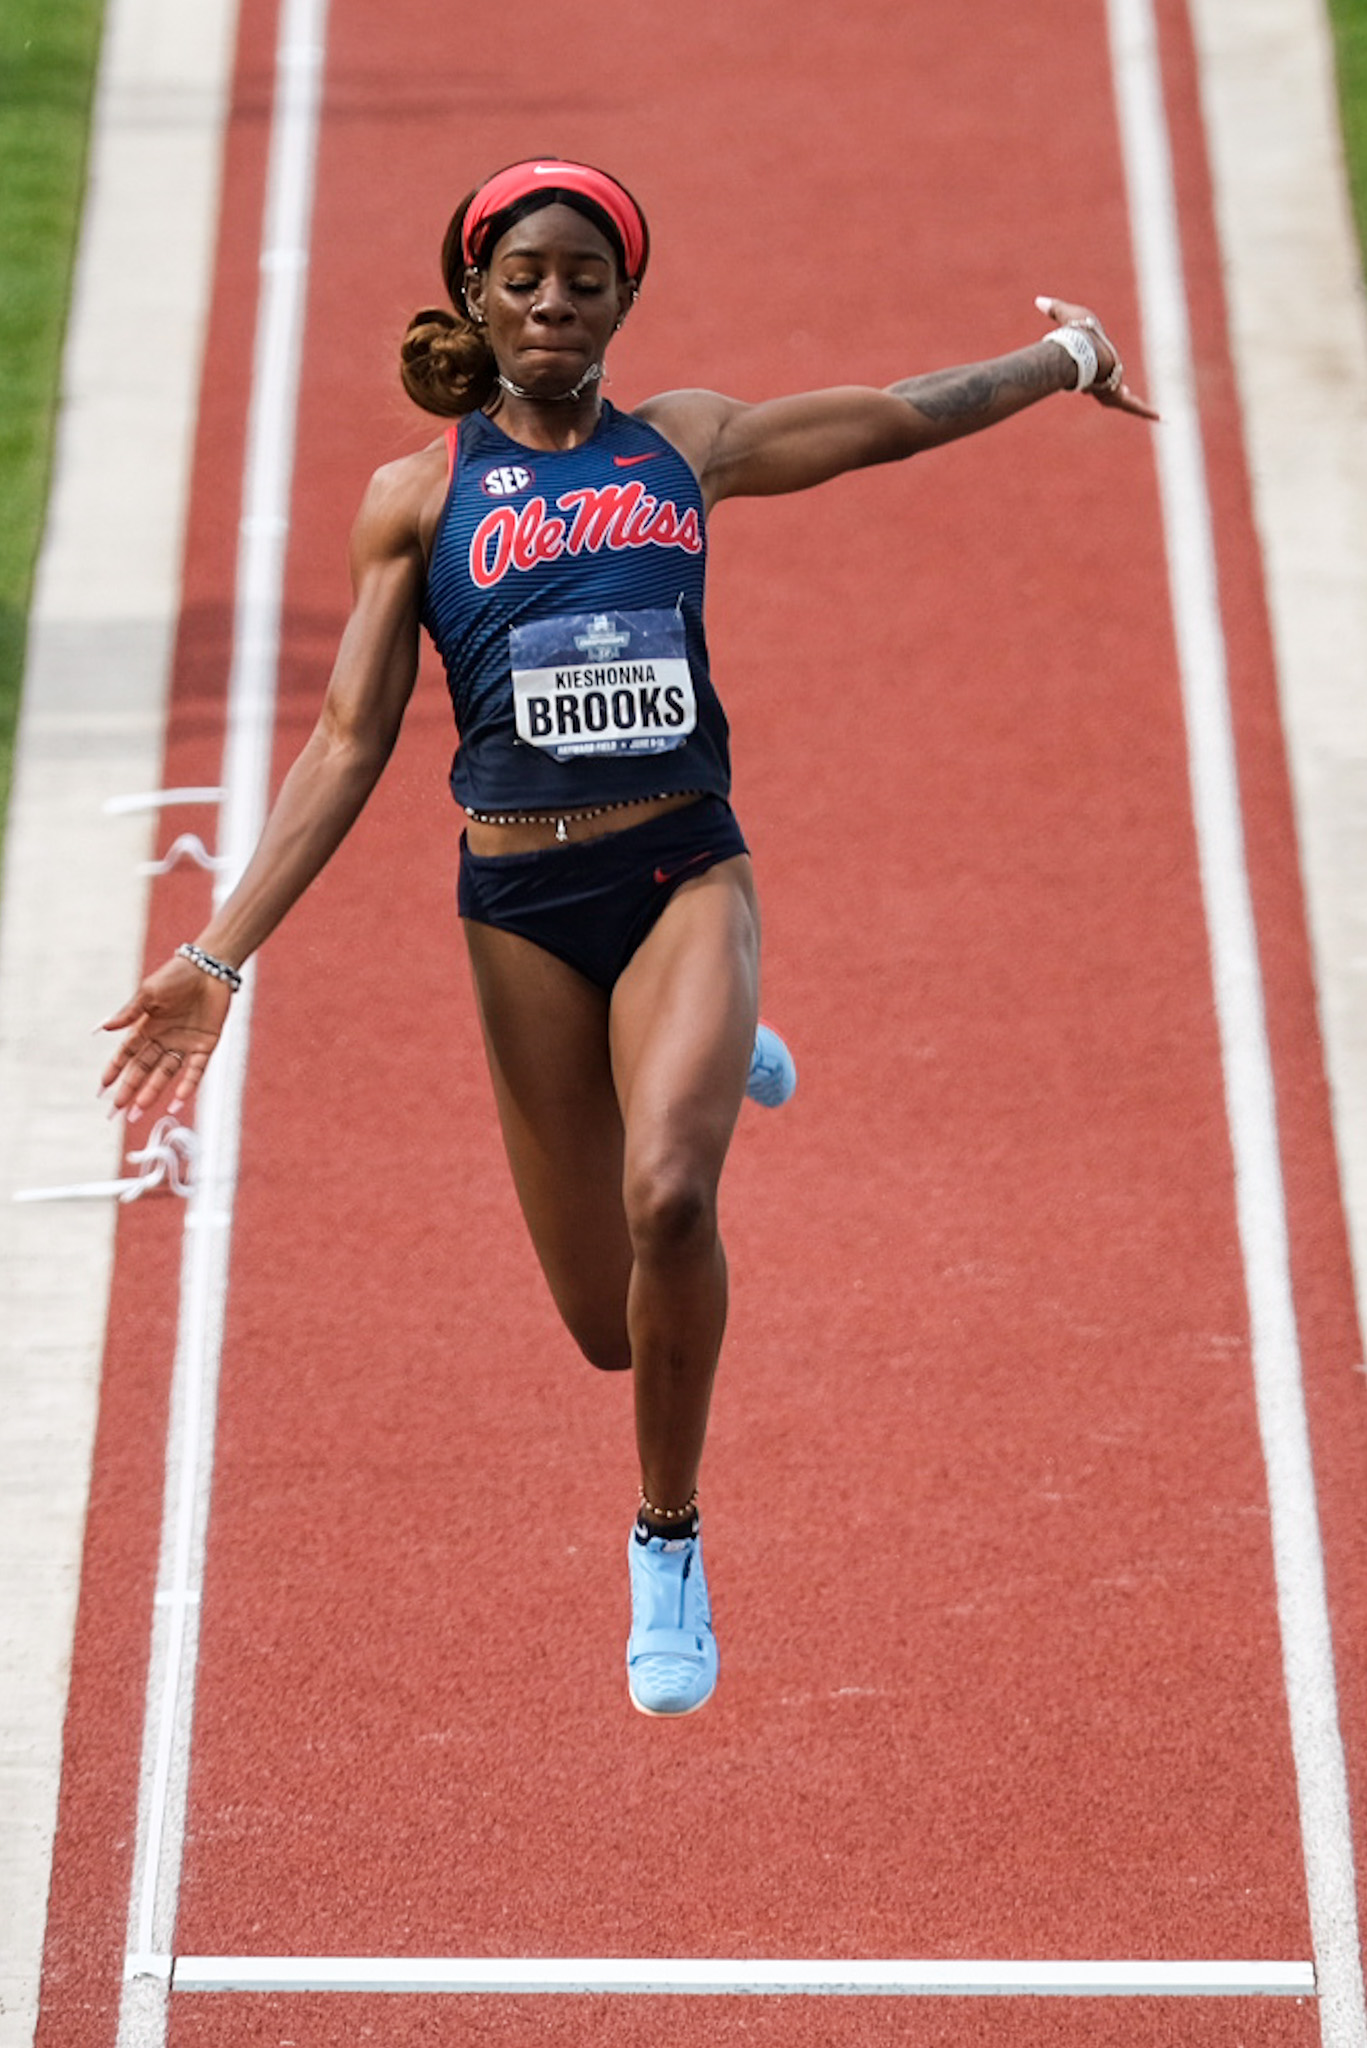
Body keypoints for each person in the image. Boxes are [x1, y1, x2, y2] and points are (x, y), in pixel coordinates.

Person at [99, 158, 1155, 1718]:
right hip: (522, 908)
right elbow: (345, 742)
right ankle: (725, 1050)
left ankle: (668, 1536)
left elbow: (892, 415)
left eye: (584, 277)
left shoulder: (686, 446)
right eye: (522, 274)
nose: (551, 300)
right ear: (474, 293)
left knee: (672, 1196)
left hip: (679, 870)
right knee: (608, 1329)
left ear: (625, 300)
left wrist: (1063, 360)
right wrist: (216, 956)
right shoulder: (417, 499)